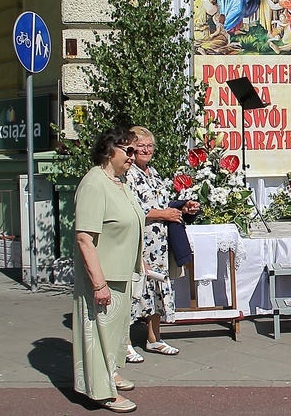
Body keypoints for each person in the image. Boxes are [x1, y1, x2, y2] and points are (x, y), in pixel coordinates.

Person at [72, 126, 144, 413]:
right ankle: (101, 391)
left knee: (114, 333)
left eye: (134, 150)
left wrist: (141, 262)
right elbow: (84, 238)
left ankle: (110, 374)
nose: (132, 155)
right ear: (108, 151)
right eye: (127, 150)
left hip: (121, 271)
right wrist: (98, 283)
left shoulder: (118, 182)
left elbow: (129, 224)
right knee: (97, 333)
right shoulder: (94, 183)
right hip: (102, 275)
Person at [124, 126, 200, 361]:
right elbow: (131, 208)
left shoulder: (153, 172)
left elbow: (164, 202)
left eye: (149, 146)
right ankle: (124, 343)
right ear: (131, 148)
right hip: (139, 241)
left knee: (157, 286)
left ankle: (154, 339)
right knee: (135, 290)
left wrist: (181, 207)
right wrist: (164, 214)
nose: (145, 150)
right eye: (141, 145)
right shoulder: (127, 174)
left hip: (159, 243)